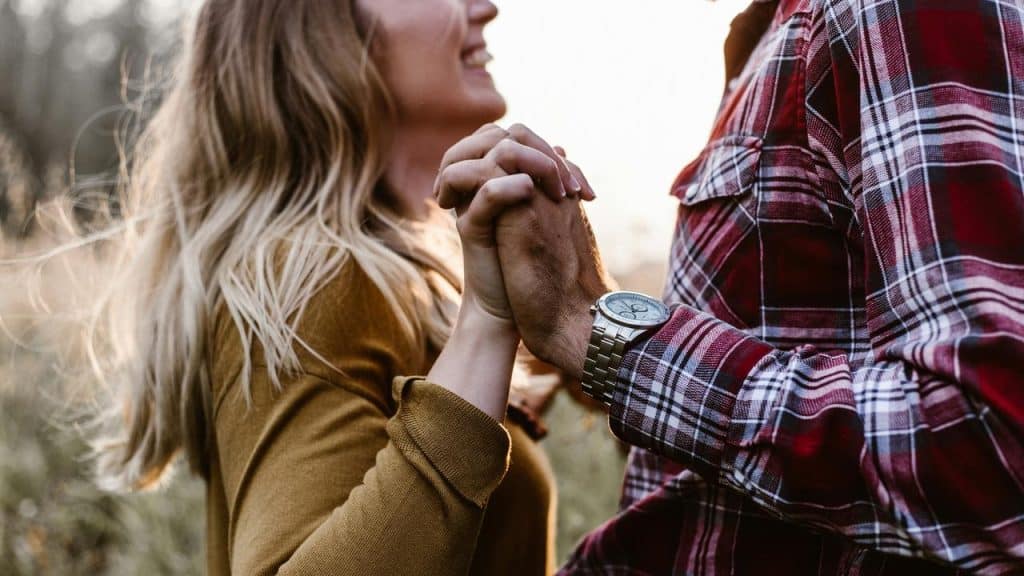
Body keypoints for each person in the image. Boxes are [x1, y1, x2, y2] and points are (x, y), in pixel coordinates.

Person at [437, 0, 1024, 574]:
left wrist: (595, 332)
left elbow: (989, 449)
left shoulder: (891, 11)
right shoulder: (771, 29)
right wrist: (595, 345)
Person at [82, 0, 586, 574]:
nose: (484, 7)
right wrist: (486, 328)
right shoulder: (312, 281)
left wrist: (579, 305)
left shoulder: (412, 273)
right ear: (316, 31)